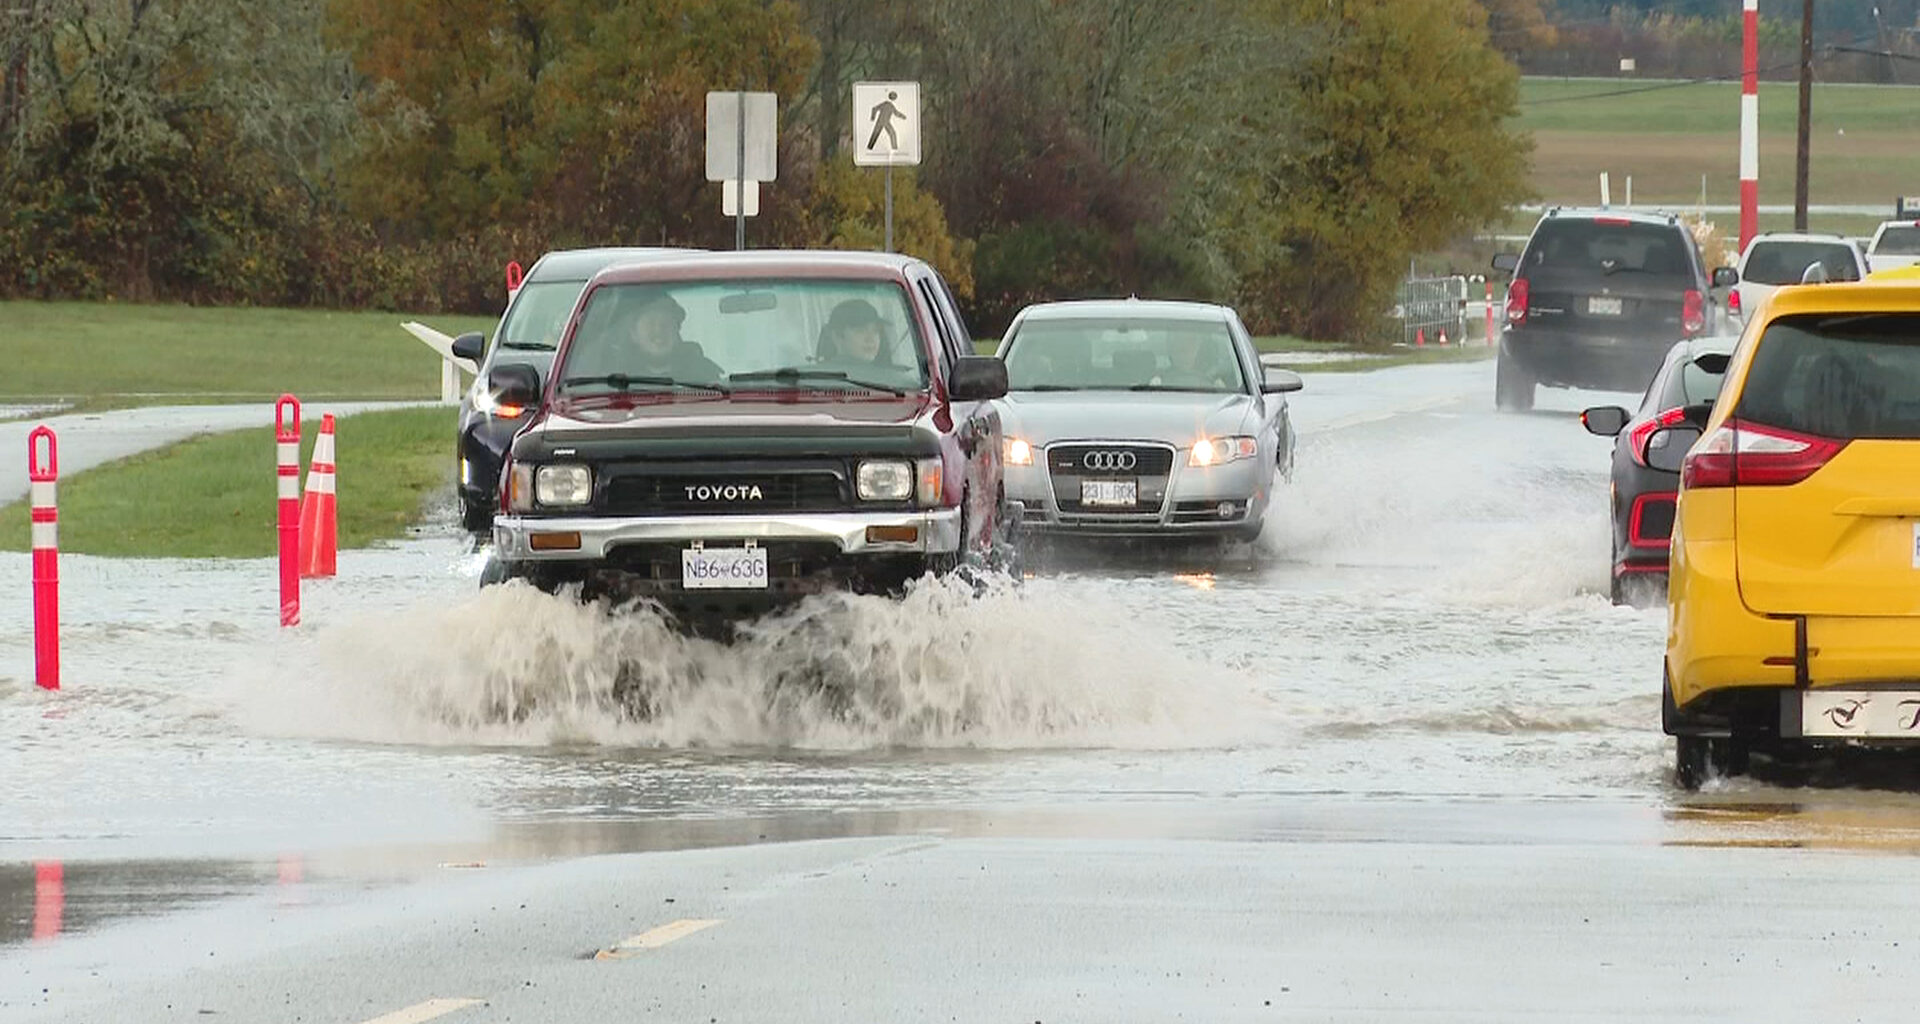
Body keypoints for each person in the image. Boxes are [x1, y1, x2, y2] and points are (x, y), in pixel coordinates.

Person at [575, 288, 722, 383]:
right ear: (633, 333)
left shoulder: (704, 375)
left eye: (665, 323)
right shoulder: (611, 379)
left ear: (677, 330)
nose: (658, 331)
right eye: (650, 323)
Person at [818, 299, 893, 367]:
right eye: (861, 331)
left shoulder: (890, 379)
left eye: (875, 331)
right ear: (837, 336)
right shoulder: (819, 378)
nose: (870, 339)